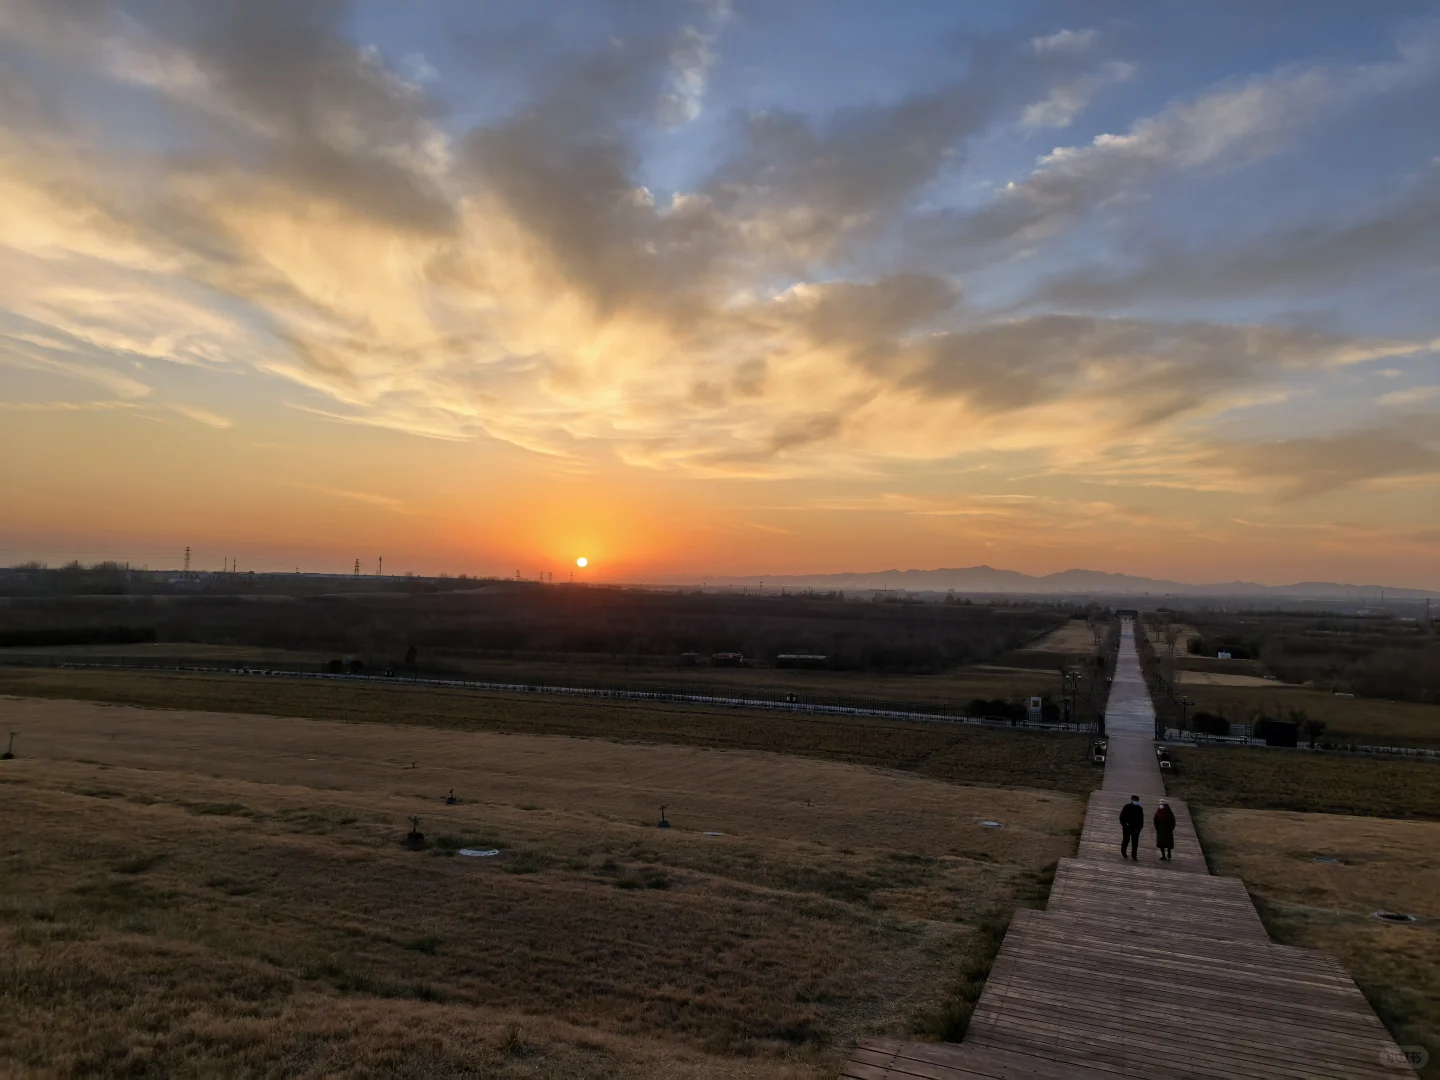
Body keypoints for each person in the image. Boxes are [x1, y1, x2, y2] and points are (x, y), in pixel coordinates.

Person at [1119, 795, 1144, 860]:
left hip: (1136, 828)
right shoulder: (1127, 807)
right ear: (1132, 800)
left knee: (1135, 842)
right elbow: (1122, 817)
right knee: (1126, 840)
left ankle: (1134, 856)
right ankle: (1123, 852)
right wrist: (1124, 824)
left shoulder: (1139, 809)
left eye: (1137, 801)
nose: (1136, 802)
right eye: (1135, 801)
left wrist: (1140, 827)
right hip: (1127, 827)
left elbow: (1141, 819)